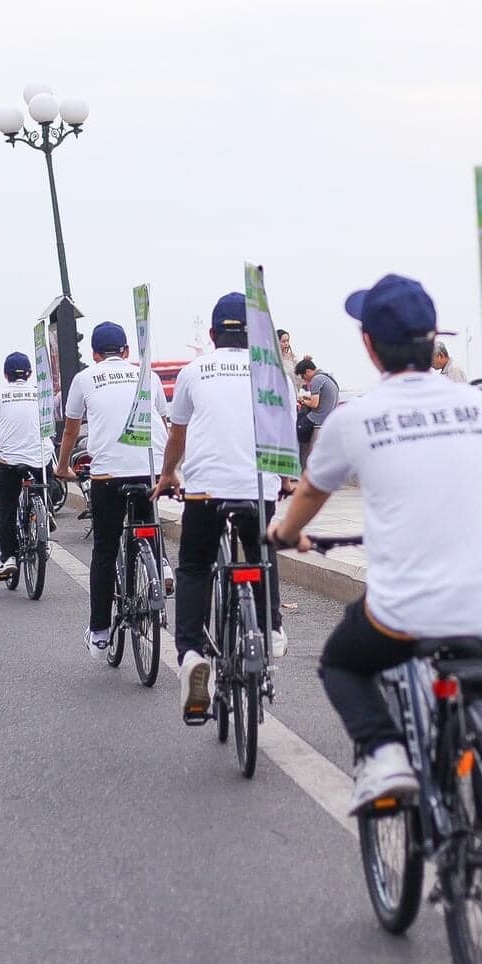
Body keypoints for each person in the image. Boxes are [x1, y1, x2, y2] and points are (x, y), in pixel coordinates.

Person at [269, 274, 482, 811]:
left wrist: (285, 533)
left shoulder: (353, 420)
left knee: (341, 663)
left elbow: (310, 494)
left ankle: (385, 754)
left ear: (369, 346)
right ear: (434, 340)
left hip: (408, 611)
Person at [158, 291, 287, 724]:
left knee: (195, 567)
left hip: (205, 491)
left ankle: (193, 655)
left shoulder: (193, 371)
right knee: (263, 552)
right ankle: (270, 628)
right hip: (257, 488)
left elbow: (177, 434)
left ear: (212, 335)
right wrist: (285, 480)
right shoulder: (272, 371)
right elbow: (281, 432)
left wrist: (168, 475)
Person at [57, 320, 170, 658]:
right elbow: (164, 423)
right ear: (126, 351)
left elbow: (70, 431)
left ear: (94, 354)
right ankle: (161, 566)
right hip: (150, 467)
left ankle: (100, 632)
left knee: (105, 550)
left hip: (108, 475)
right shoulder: (148, 375)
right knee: (148, 522)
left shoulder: (83, 379)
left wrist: (62, 467)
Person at [0, 351, 53, 582]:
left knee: (8, 509)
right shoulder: (42, 393)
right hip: (41, 458)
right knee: (43, 484)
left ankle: (8, 558)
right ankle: (45, 515)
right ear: (29, 374)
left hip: (11, 461)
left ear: (5, 374)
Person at [294, 355, 339, 465]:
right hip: (328, 418)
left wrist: (302, 400)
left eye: (303, 376)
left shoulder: (316, 379)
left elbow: (314, 404)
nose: (304, 380)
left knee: (295, 426)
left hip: (318, 419)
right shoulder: (327, 377)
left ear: (308, 371)